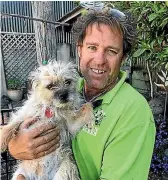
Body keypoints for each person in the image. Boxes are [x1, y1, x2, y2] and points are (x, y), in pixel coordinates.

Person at [8, 7, 156, 180]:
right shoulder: (71, 85)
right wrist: (15, 146)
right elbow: (26, 120)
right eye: (92, 47)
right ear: (80, 49)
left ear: (123, 58)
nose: (100, 60)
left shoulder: (134, 111)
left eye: (111, 51)